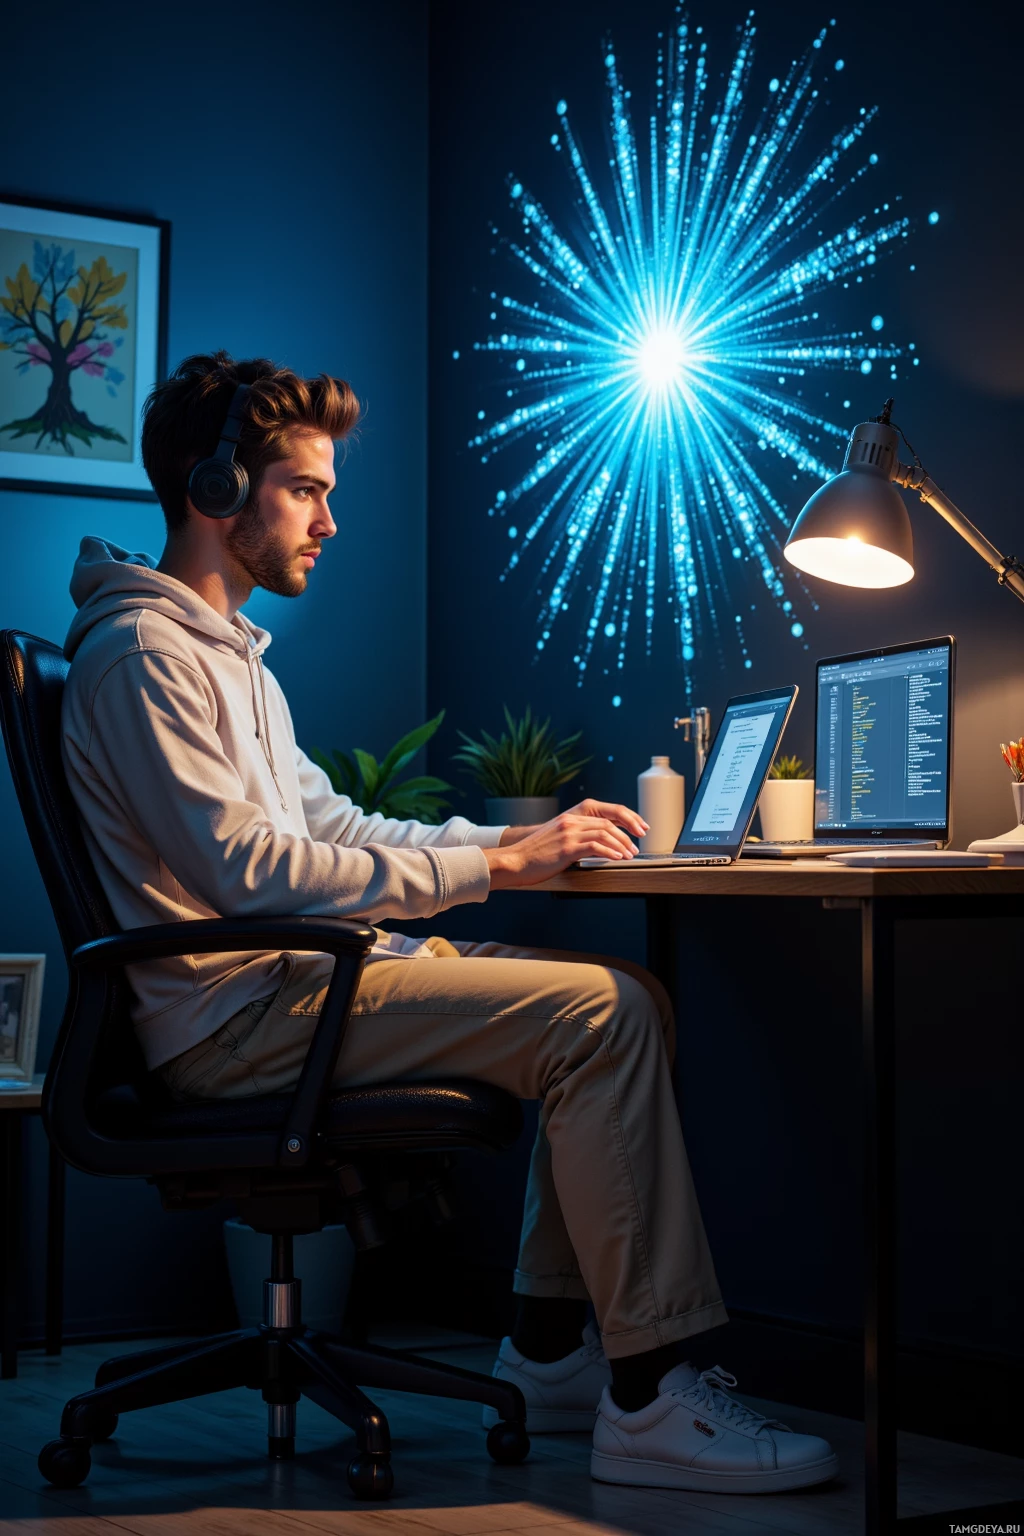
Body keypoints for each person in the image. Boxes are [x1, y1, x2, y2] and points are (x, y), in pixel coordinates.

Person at [60, 351, 838, 1495]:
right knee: (604, 1014)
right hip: (242, 1019)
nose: (331, 518)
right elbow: (248, 872)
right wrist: (499, 861)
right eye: (306, 490)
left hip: (292, 992)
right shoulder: (143, 660)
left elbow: (338, 821)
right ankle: (646, 1399)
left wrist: (513, 841)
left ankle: (546, 1354)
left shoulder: (232, 665)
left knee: (627, 1006)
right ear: (214, 489)